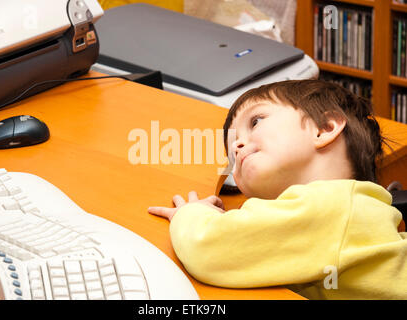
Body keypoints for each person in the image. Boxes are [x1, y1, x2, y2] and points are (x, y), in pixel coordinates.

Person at [148, 80, 407, 299]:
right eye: (231, 147)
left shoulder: (330, 206)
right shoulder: (344, 205)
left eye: (256, 122)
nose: (237, 146)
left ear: (324, 129)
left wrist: (190, 213)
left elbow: (206, 248)